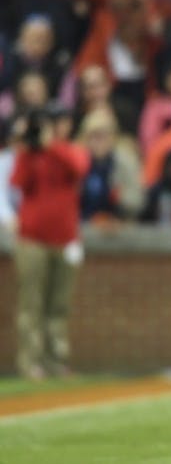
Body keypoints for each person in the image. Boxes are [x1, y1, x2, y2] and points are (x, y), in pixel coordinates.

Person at [9, 104, 89, 380]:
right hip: (32, 239)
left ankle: (57, 361)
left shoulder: (70, 150)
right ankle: (30, 363)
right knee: (31, 304)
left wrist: (51, 145)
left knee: (59, 306)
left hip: (65, 239)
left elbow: (79, 168)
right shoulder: (29, 154)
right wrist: (28, 148)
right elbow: (18, 182)